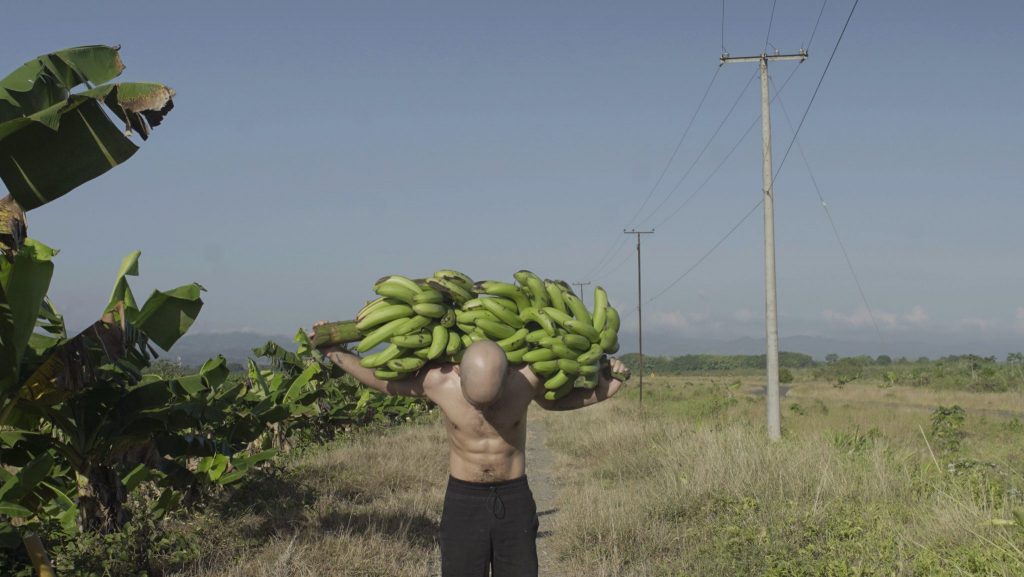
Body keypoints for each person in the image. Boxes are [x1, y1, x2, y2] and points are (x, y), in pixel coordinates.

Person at [310, 321, 627, 577]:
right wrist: (334, 351)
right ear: (459, 372)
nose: (484, 410)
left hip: (513, 498)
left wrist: (605, 389)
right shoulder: (438, 381)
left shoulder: (527, 380)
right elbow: (380, 380)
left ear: (508, 374)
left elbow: (557, 402)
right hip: (464, 500)